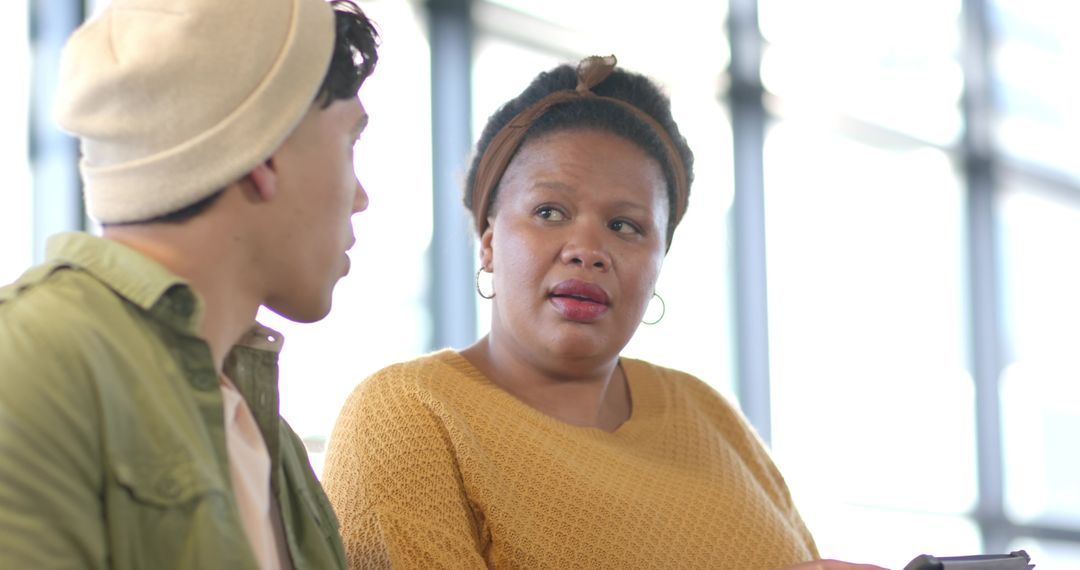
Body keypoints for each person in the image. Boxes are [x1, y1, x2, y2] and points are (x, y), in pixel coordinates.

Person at [321, 55, 887, 569]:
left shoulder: (711, 418)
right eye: (549, 211)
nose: (587, 249)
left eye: (626, 227)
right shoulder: (409, 414)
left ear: (659, 260)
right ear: (489, 239)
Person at [0, 0, 378, 568]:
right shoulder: (31, 363)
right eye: (350, 144)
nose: (361, 197)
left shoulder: (264, 432)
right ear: (263, 148)